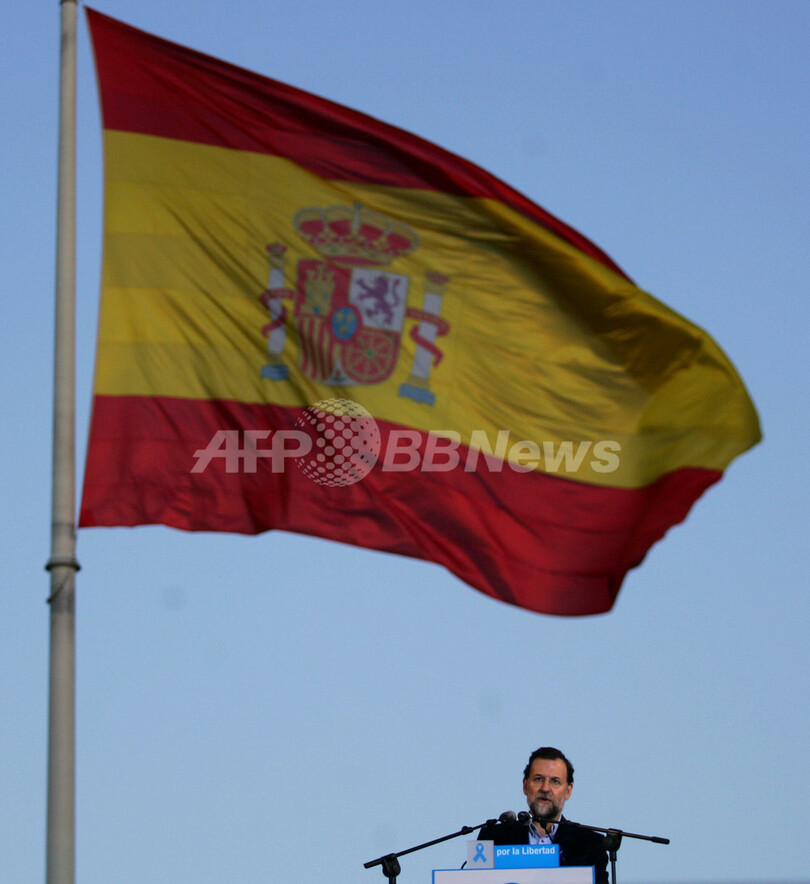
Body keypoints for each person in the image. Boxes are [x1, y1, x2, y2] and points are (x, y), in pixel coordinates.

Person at [478, 746, 608, 883]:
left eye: (555, 781)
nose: (545, 788)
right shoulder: (493, 838)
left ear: (568, 791)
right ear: (525, 786)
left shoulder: (590, 844)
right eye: (538, 779)